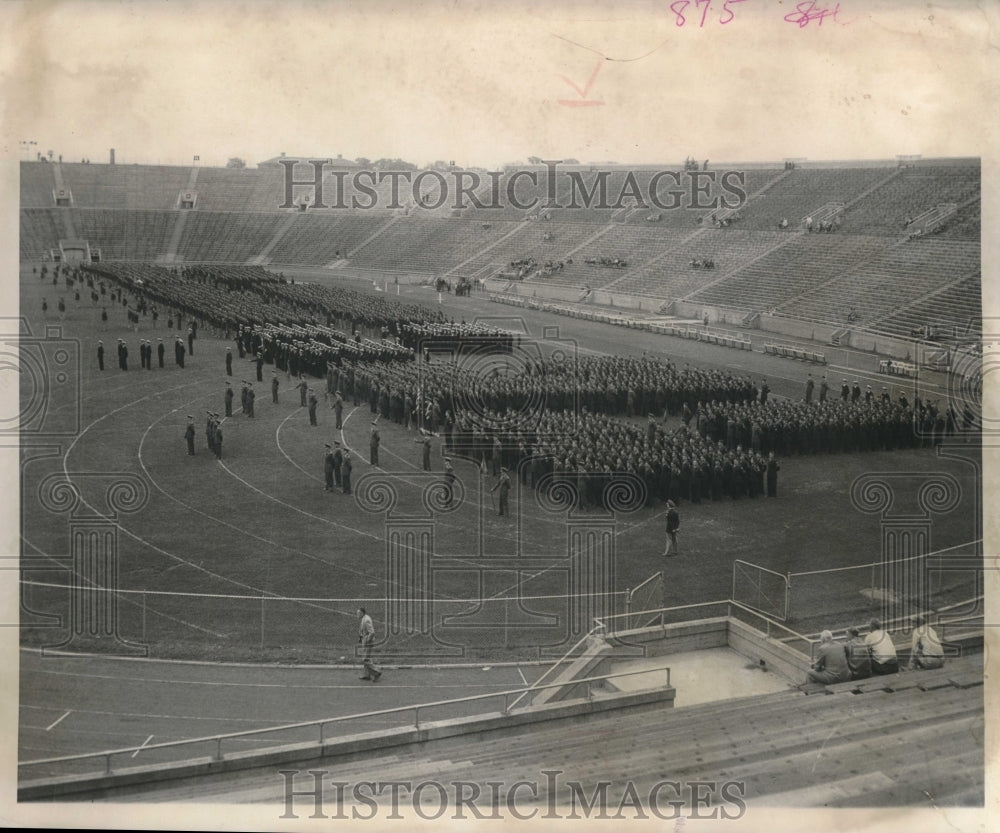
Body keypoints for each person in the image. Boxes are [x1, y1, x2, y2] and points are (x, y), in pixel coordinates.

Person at [357, 607, 382, 682]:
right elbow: (363, 631)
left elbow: (372, 632)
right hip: (365, 641)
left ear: (362, 613)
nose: (357, 615)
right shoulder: (364, 618)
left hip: (368, 642)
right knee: (366, 658)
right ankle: (366, 675)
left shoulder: (366, 620)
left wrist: (367, 640)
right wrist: (361, 638)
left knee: (365, 659)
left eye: (358, 613)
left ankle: (377, 672)